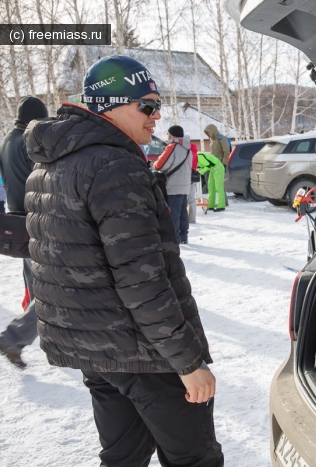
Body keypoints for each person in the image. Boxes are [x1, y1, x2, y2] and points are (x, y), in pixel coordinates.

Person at [23, 55, 223, 466]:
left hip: (97, 350)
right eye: (146, 106)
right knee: (195, 458)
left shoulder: (55, 161)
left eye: (157, 105)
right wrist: (187, 362)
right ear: (109, 105)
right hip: (143, 351)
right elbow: (142, 281)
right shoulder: (114, 165)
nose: (157, 115)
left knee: (122, 458)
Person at [0, 96, 48, 369]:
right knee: (50, 293)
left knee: (35, 284)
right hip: (37, 222)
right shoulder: (29, 141)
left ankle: (34, 334)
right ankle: (13, 337)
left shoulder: (8, 139)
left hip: (17, 219)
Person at [154, 125, 192, 244]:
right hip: (185, 185)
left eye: (168, 133)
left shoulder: (172, 146)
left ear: (172, 134)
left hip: (173, 185)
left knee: (173, 213)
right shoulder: (188, 148)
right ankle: (183, 235)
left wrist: (154, 165)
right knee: (182, 212)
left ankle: (174, 238)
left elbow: (161, 165)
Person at [188, 140, 199, 223]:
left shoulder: (186, 150)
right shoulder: (194, 150)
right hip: (192, 174)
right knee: (192, 199)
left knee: (182, 199)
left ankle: (184, 219)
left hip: (185, 174)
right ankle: (192, 218)